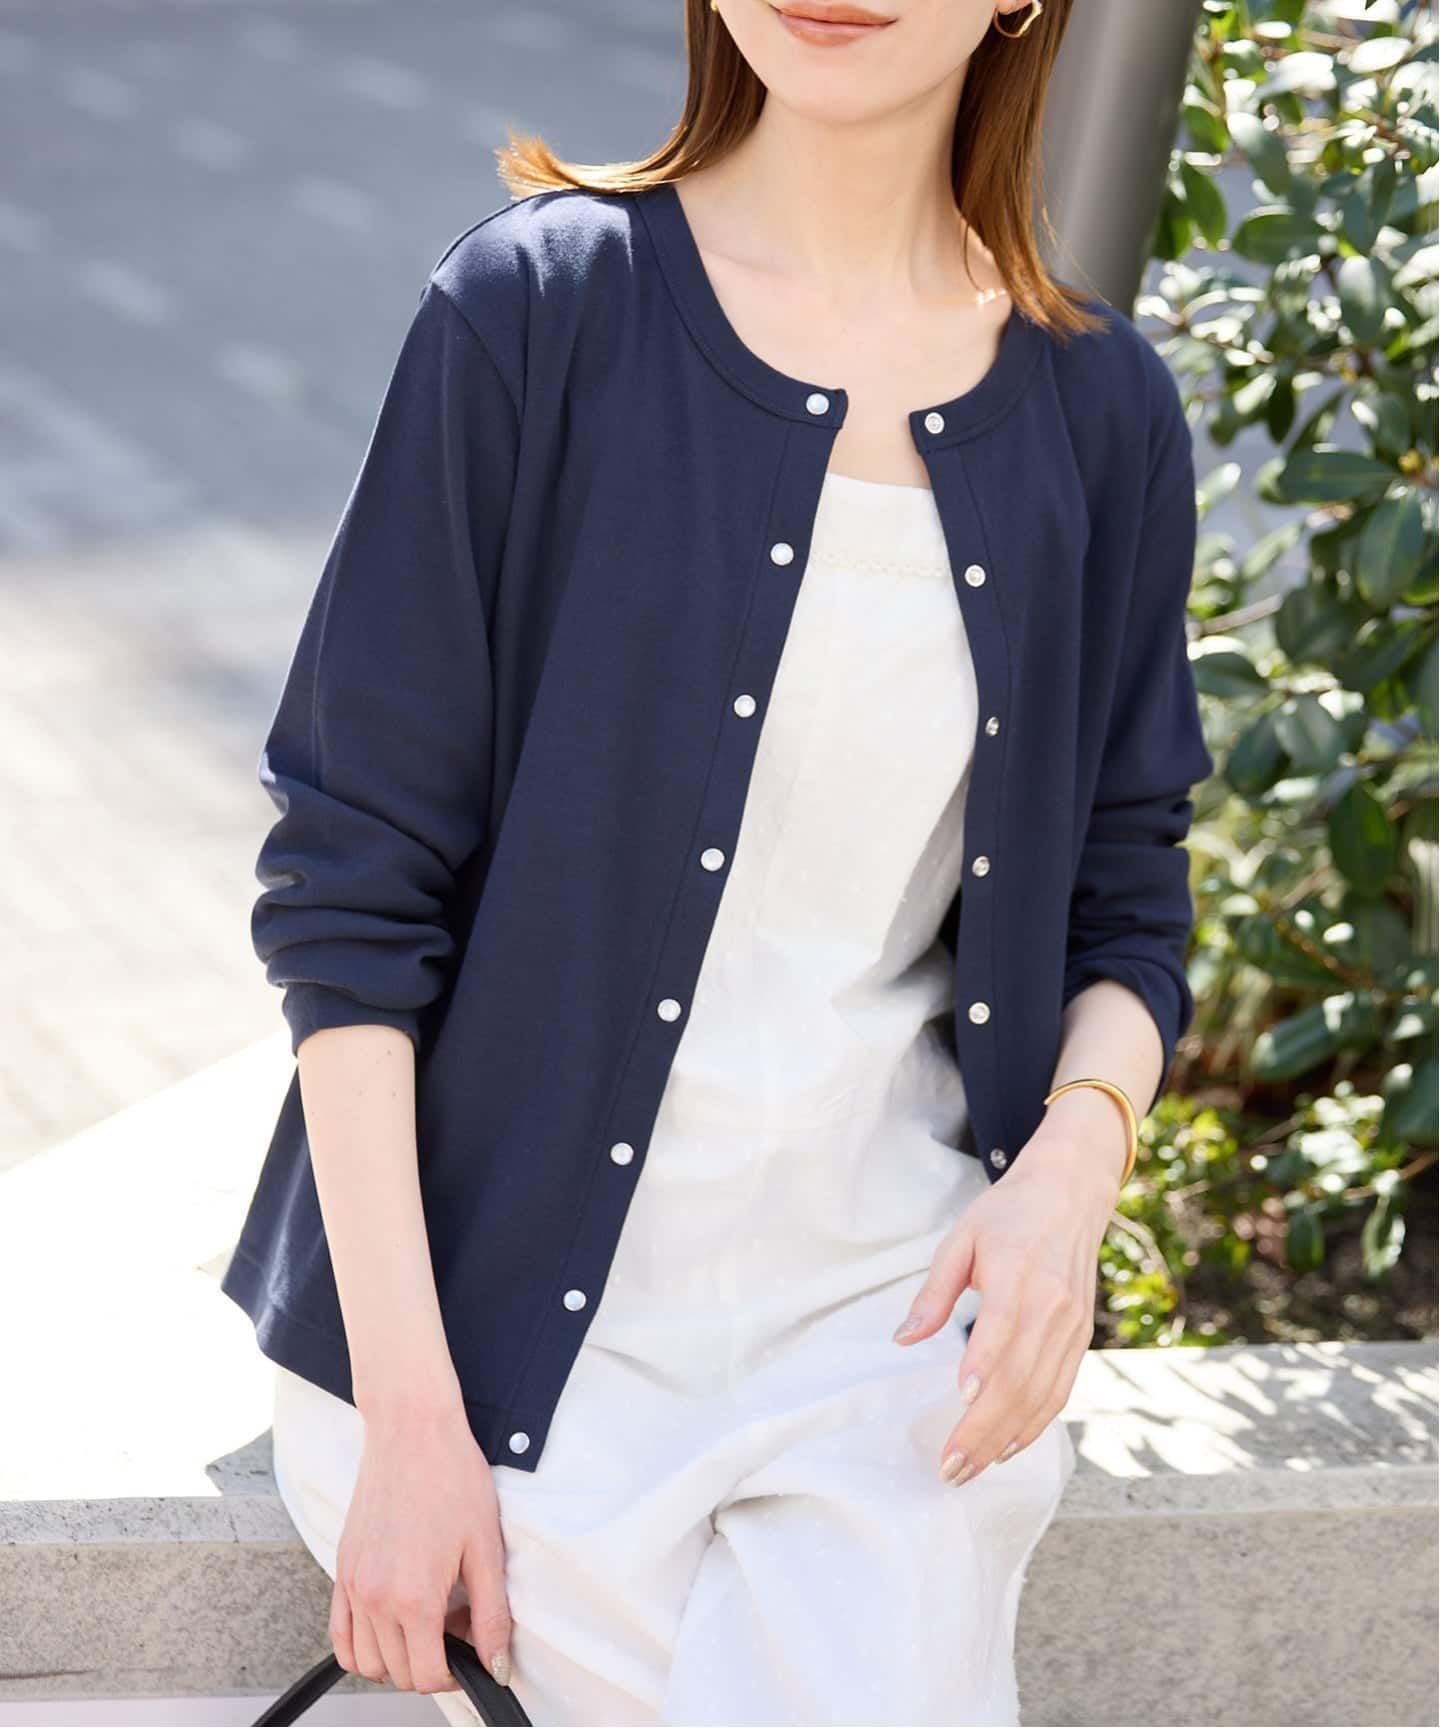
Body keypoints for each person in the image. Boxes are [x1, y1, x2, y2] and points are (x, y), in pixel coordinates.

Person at [220, 0, 1215, 1721]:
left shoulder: (1098, 410)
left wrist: (1070, 1174)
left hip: (885, 1337)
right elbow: (347, 894)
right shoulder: (538, 311)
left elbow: (1129, 899)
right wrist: (411, 1423)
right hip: (490, 1324)